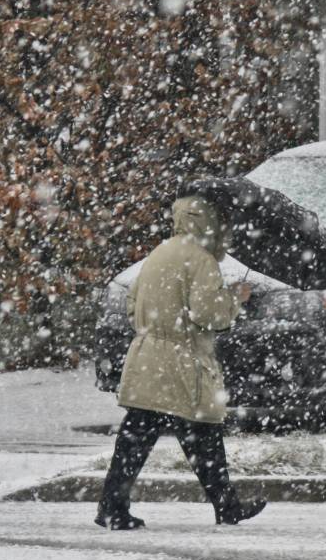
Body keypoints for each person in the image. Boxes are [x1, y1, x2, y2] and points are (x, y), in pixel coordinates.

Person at [96, 194, 267, 530]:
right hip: (184, 361)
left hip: (149, 357)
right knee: (202, 434)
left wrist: (156, 328)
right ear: (208, 224)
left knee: (141, 438)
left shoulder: (160, 252)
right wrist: (234, 299)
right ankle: (224, 505)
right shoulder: (201, 259)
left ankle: (113, 505)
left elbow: (133, 305)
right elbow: (209, 314)